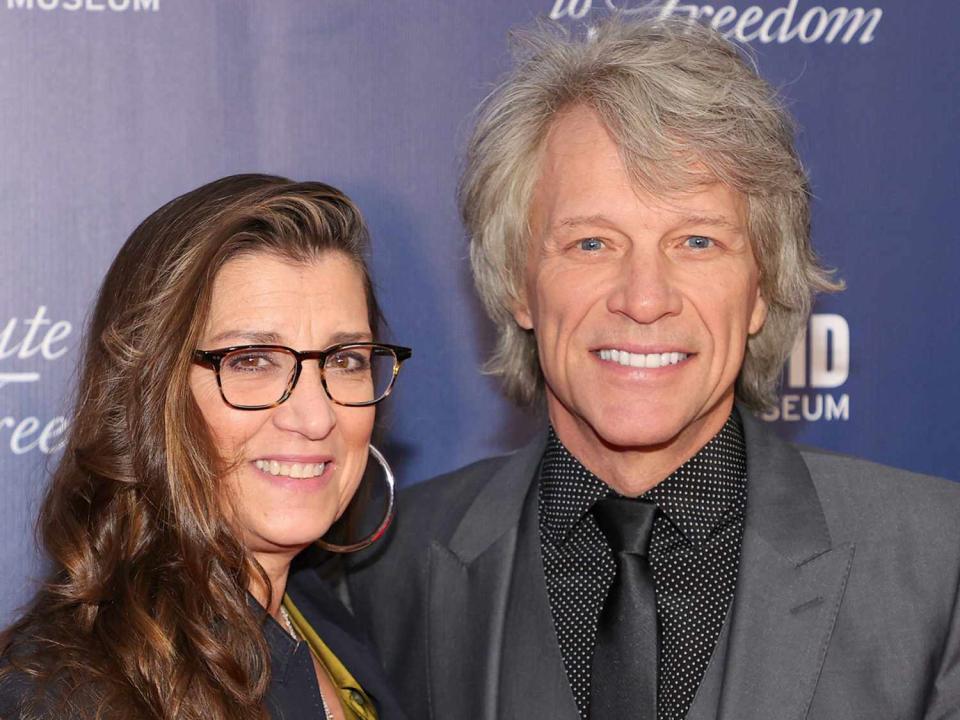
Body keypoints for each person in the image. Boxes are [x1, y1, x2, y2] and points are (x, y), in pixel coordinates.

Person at [347, 15, 960, 720]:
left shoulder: (938, 565)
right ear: (518, 282)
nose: (644, 300)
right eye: (591, 244)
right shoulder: (383, 573)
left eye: (696, 241)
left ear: (761, 285)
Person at [0, 174, 412, 720]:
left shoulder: (325, 618)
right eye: (250, 361)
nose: (316, 417)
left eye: (345, 360)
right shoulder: (63, 695)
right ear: (151, 397)